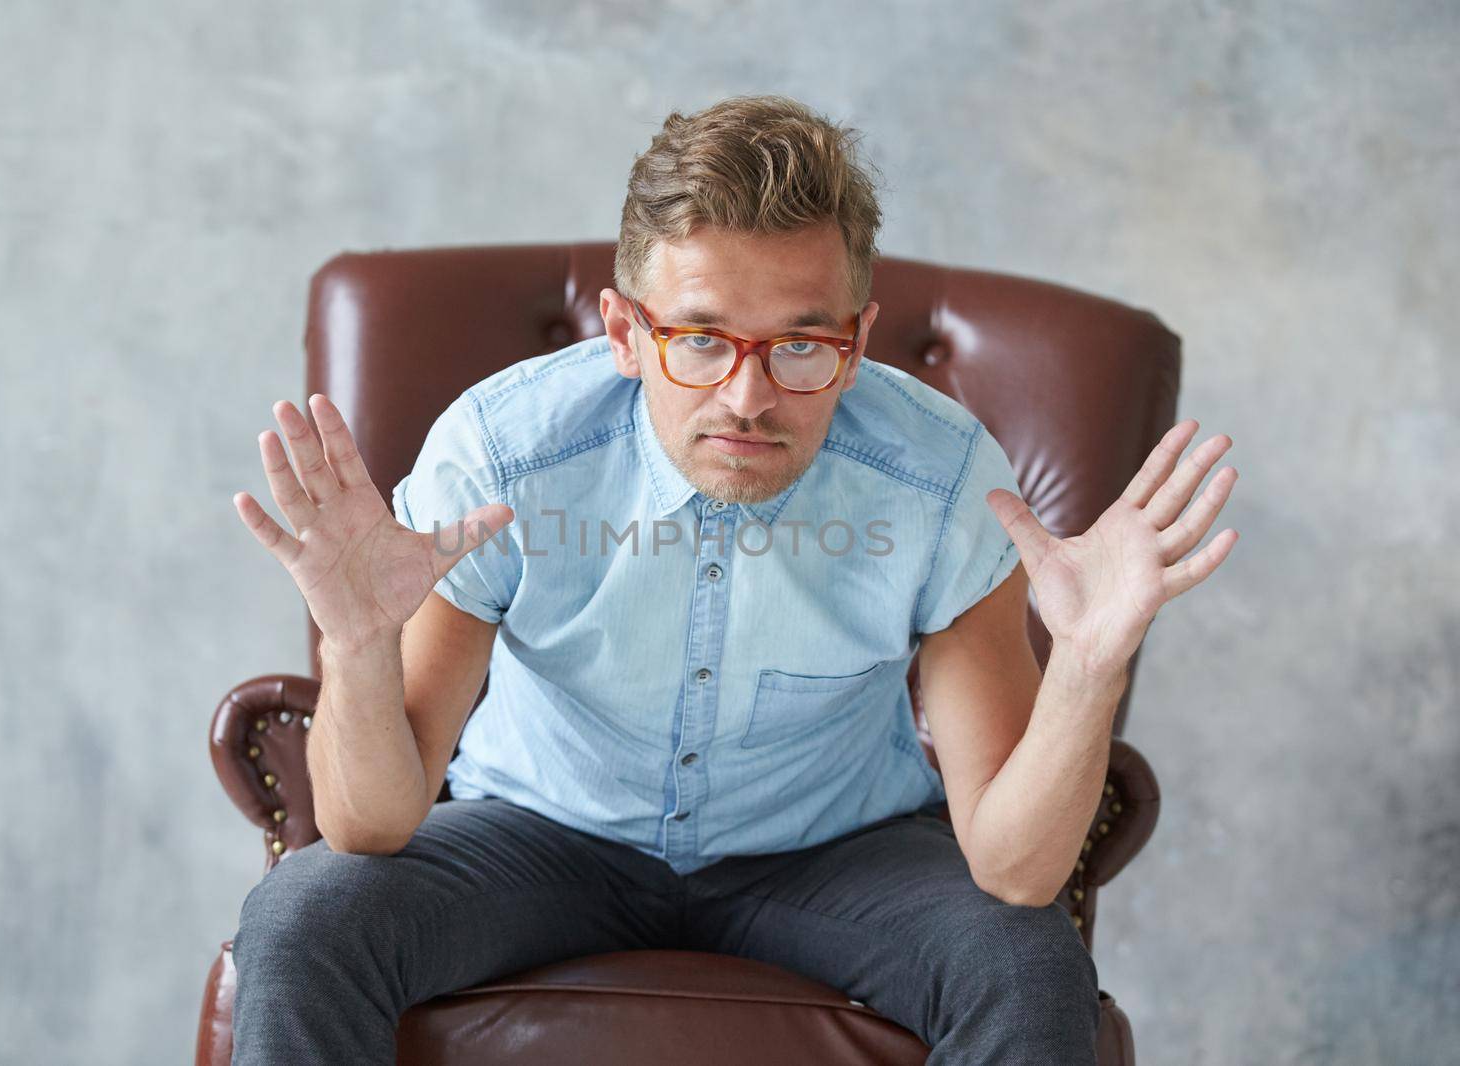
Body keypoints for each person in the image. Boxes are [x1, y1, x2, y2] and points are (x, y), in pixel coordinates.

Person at [227, 93, 1238, 1064]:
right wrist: (356, 647)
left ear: (856, 343)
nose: (749, 398)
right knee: (308, 916)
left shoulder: (939, 481)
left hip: (832, 854)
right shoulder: (503, 454)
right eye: (700, 339)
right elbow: (372, 824)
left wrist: (1090, 664)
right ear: (625, 333)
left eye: (802, 343)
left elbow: (1015, 871)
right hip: (539, 836)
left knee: (1024, 967)